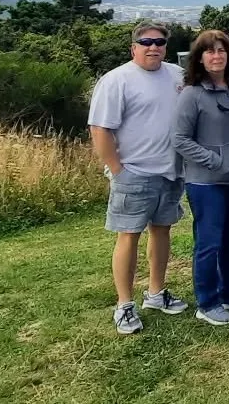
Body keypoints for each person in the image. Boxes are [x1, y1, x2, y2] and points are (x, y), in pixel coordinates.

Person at [88, 20, 189, 335]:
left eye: (159, 42)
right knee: (128, 236)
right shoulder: (116, 80)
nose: (153, 47)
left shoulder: (176, 75)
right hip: (134, 173)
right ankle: (124, 305)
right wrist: (118, 170)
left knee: (162, 231)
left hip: (170, 171)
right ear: (134, 47)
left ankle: (156, 294)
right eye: (146, 42)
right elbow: (100, 129)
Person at [172, 30, 229, 326]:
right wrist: (214, 160)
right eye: (209, 51)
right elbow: (180, 139)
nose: (216, 56)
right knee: (209, 242)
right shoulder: (191, 94)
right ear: (199, 57)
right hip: (206, 183)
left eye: (221, 50)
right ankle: (207, 302)